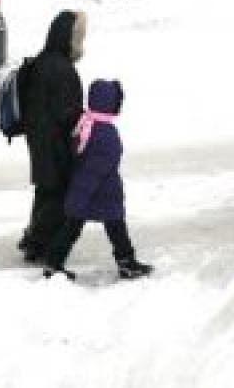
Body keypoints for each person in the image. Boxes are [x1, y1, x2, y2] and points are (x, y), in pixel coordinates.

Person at [43, 79, 153, 280]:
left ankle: (53, 262)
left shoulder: (85, 124)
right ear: (111, 105)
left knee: (74, 228)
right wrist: (82, 196)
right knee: (115, 228)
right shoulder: (105, 134)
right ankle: (126, 263)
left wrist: (79, 194)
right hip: (101, 191)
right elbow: (94, 170)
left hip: (87, 190)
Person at [17, 10, 86, 263]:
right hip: (54, 141)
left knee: (46, 190)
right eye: (78, 36)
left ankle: (34, 240)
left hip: (40, 138)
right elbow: (67, 112)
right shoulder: (60, 68)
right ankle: (40, 244)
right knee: (57, 192)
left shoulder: (43, 60)